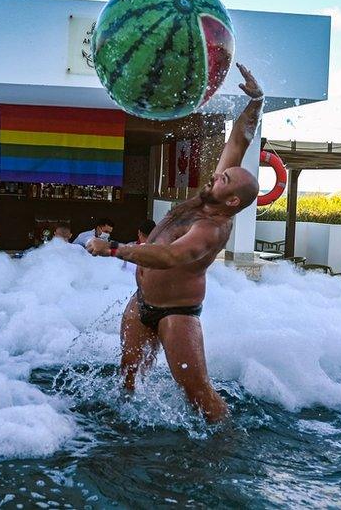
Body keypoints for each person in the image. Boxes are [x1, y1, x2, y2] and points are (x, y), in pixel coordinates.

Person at [86, 63, 264, 423]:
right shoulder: (210, 196)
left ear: (232, 201)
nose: (216, 177)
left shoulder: (212, 228)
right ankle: (124, 433)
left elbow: (170, 255)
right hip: (143, 302)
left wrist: (114, 249)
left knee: (199, 396)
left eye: (223, 179)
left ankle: (224, 448)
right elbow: (238, 141)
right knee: (128, 376)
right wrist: (257, 101)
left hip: (177, 314)